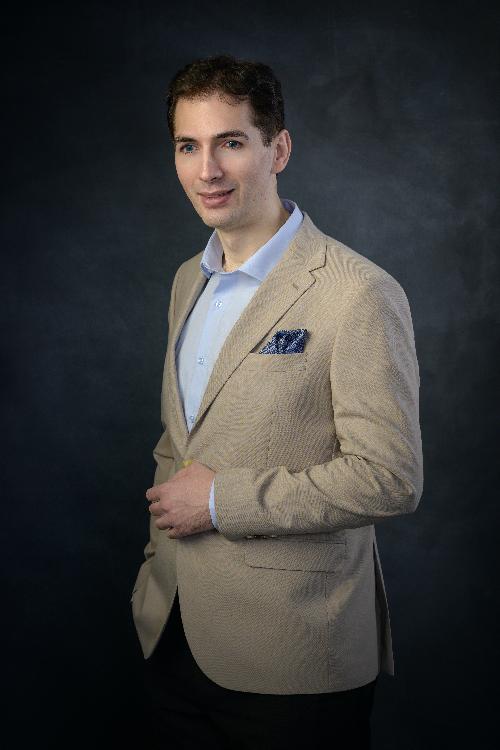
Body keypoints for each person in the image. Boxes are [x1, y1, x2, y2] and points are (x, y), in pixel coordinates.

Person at [131, 54, 423, 750]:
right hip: (172, 635)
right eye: (188, 145)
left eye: (231, 142)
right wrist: (153, 568)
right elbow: (180, 444)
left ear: (278, 148)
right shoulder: (186, 280)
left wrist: (221, 501)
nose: (208, 170)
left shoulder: (357, 293)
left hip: (294, 659)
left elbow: (391, 477)